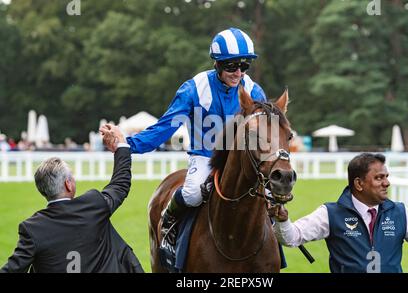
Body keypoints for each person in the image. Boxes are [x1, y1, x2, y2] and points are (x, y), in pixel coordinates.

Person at [104, 27, 266, 244]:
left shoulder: (255, 92)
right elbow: (165, 127)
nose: (238, 73)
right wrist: (127, 143)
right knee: (192, 194)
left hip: (240, 160)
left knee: (267, 196)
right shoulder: (194, 89)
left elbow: (267, 135)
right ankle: (169, 218)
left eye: (244, 66)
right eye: (231, 66)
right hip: (205, 156)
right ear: (216, 63)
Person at [271, 153, 408, 273]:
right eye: (379, 178)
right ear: (359, 184)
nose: (386, 183)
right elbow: (291, 238)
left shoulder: (400, 212)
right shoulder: (330, 213)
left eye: (387, 176)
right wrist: (283, 221)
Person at [0, 124, 144, 273]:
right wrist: (121, 144)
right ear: (68, 184)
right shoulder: (93, 204)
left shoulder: (31, 228)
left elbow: (11, 269)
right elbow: (120, 185)